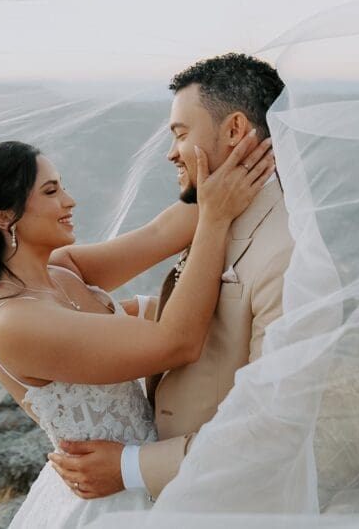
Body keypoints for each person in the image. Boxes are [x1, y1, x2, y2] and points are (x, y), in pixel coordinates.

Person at [0, 129, 274, 528]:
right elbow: (177, 343)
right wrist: (218, 217)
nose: (69, 201)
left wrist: (248, 161)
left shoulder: (64, 272)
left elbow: (161, 232)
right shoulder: (14, 322)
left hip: (151, 478)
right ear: (3, 217)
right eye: (50, 192)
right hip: (108, 503)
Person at [50, 53, 294, 501]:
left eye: (181, 134)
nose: (169, 152)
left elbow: (275, 427)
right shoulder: (212, 213)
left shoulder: (287, 252)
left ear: (236, 130)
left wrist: (128, 468)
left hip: (238, 506)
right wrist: (129, 313)